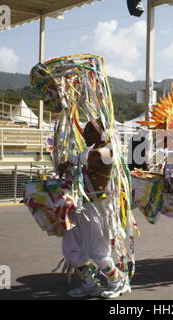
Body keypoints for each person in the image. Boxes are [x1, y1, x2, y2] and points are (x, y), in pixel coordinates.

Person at [61, 120, 130, 299]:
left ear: (102, 132)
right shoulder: (92, 150)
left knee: (97, 251)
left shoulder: (108, 151)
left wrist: (71, 161)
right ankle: (90, 283)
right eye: (85, 131)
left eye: (89, 131)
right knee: (71, 249)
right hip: (79, 206)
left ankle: (118, 281)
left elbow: (92, 157)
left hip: (96, 208)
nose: (84, 135)